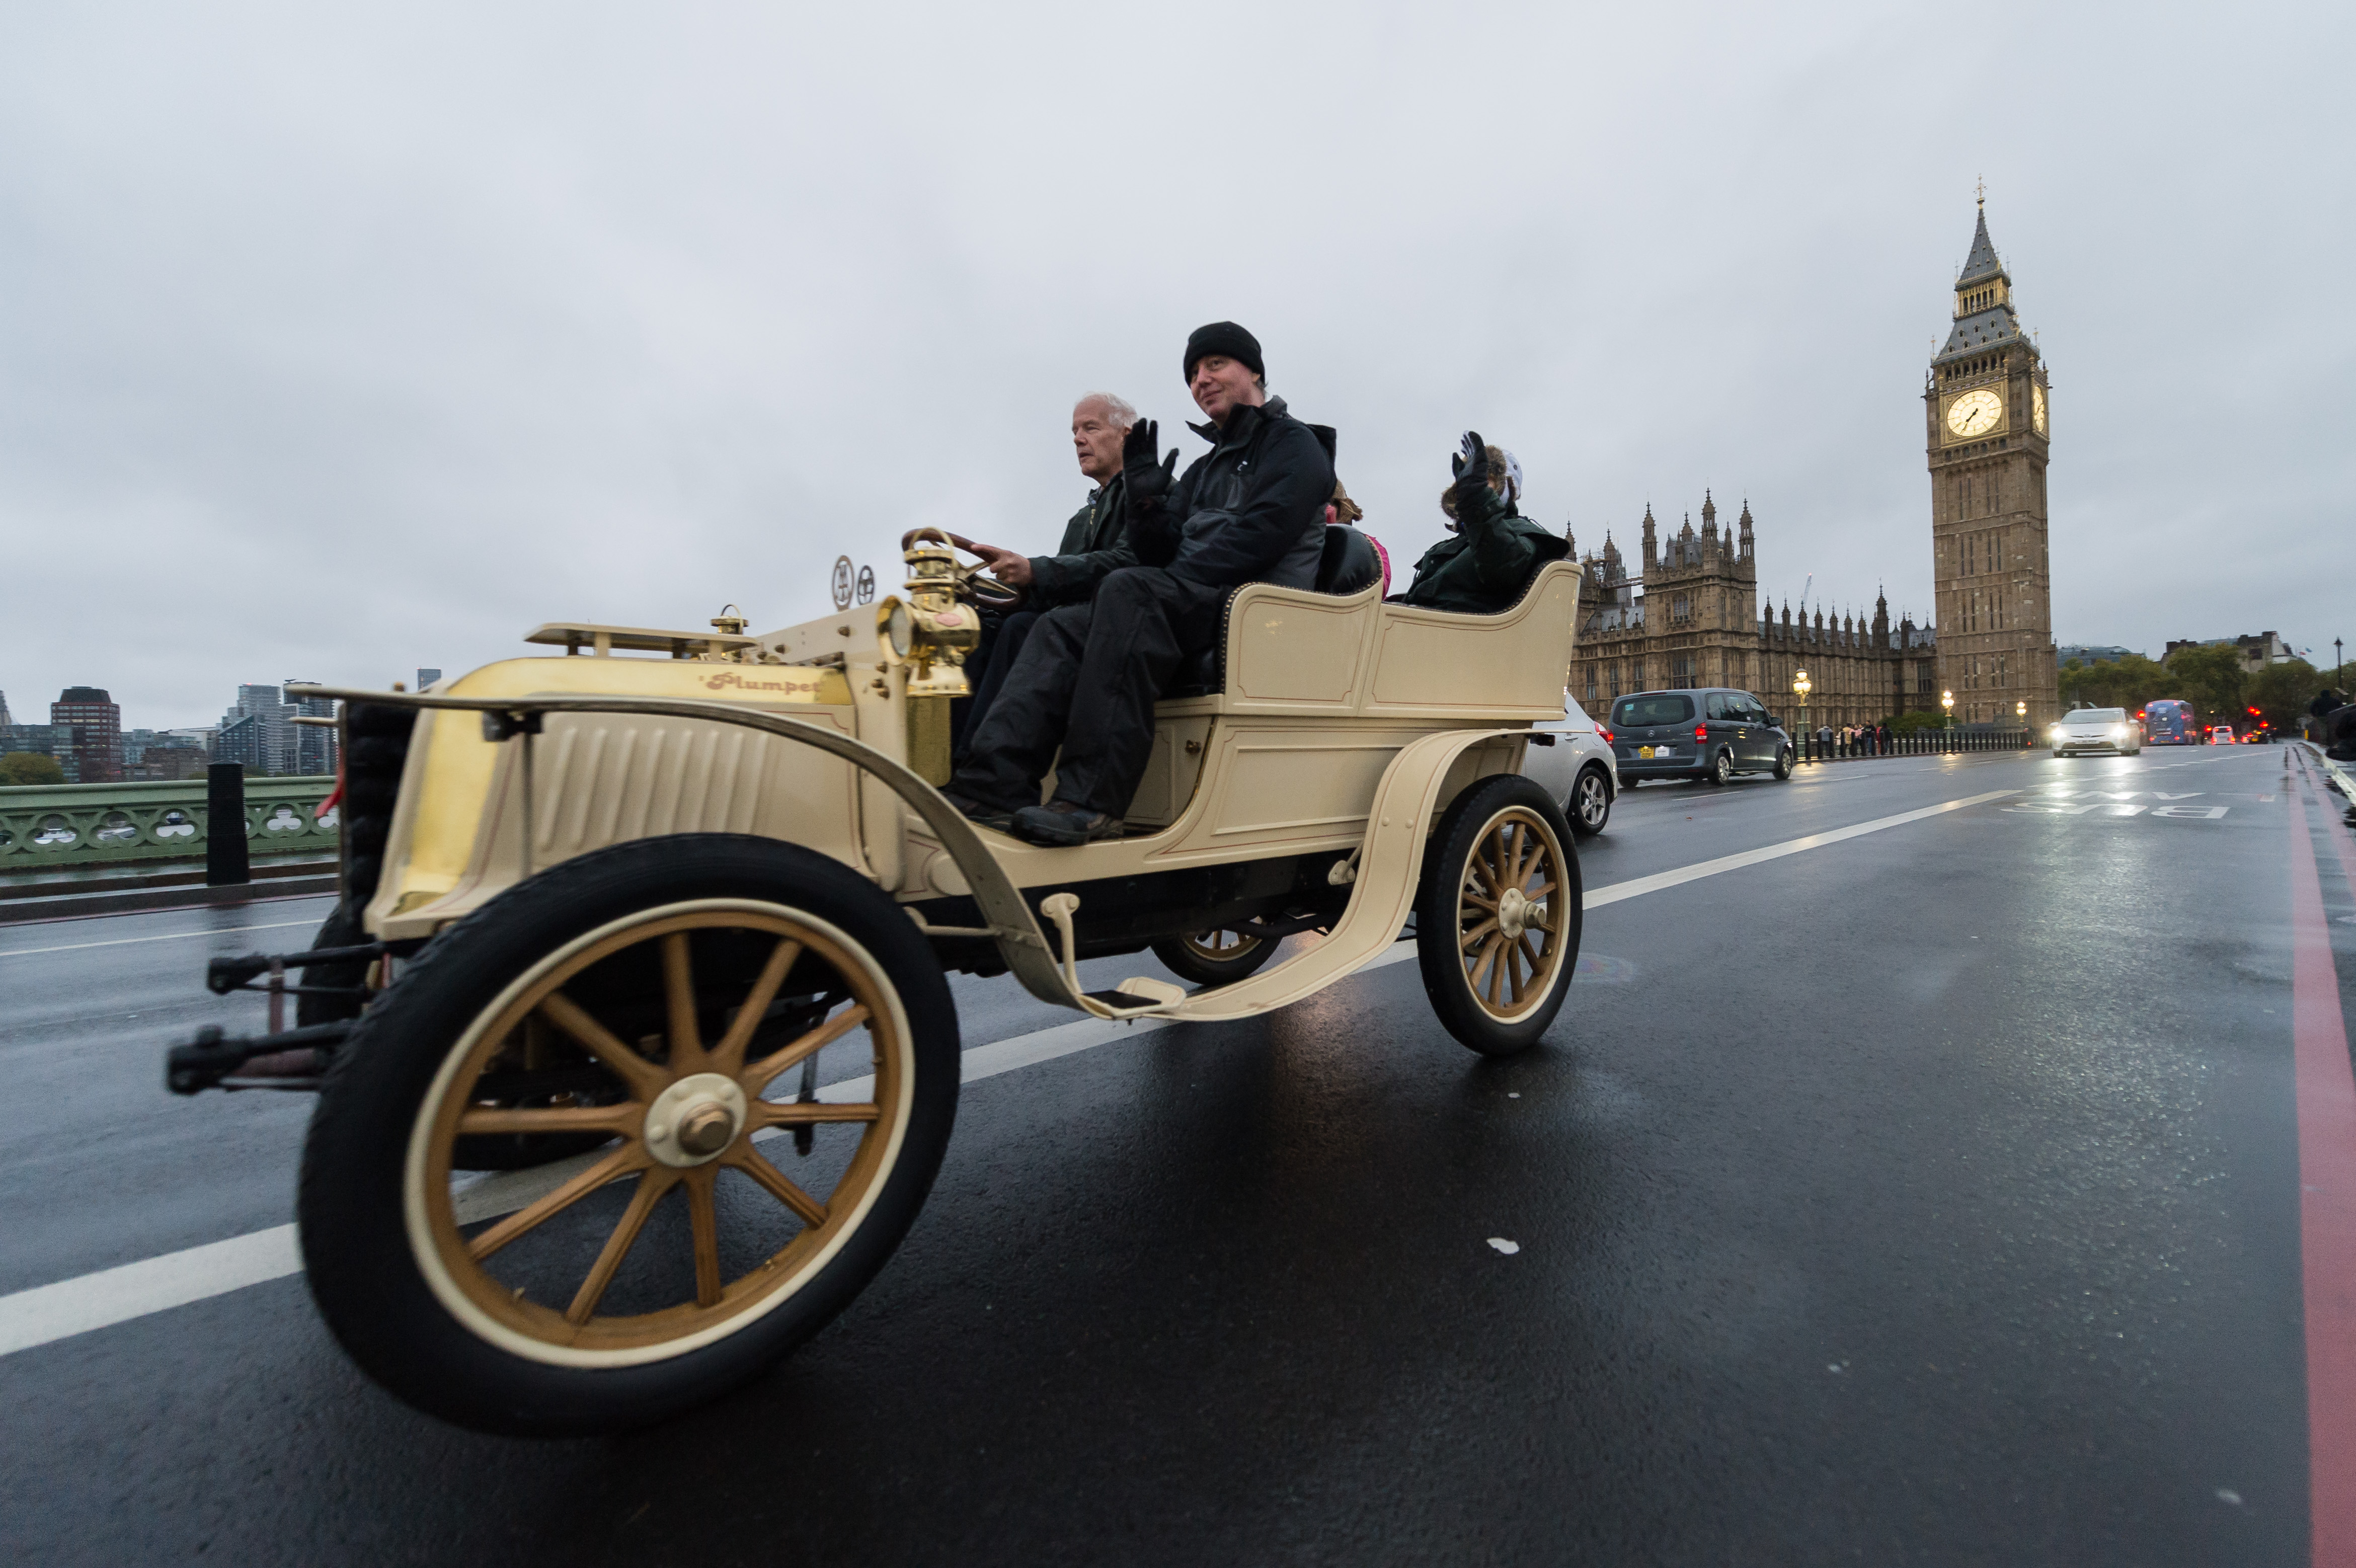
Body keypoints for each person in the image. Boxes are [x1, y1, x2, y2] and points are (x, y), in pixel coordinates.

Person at [946, 322, 1333, 845]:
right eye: (1193, 374)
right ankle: (993, 784)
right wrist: (1148, 506)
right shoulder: (1201, 468)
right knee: (1056, 625)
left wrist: (1168, 574)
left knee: (1129, 589)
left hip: (1256, 609)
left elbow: (1262, 536)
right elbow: (1158, 550)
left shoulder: (1295, 444)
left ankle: (1091, 802)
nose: (1201, 380)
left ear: (1254, 371)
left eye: (1214, 365)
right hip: (1193, 601)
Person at [949, 394, 1139, 756]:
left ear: (1127, 436)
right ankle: (951, 763)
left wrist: (1035, 570)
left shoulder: (1149, 496)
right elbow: (1057, 588)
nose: (1077, 439)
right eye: (1074, 431)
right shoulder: (1082, 518)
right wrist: (978, 590)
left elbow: (1126, 563)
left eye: (1091, 428)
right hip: (1074, 620)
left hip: (1117, 626)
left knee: (1022, 628)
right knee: (973, 628)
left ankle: (984, 764)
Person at [1391, 432, 1566, 613]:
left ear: (1508, 488)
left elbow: (1505, 568)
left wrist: (1478, 502)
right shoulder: (1445, 548)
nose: (1473, 488)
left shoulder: (1525, 534)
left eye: (1487, 481)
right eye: (1470, 481)